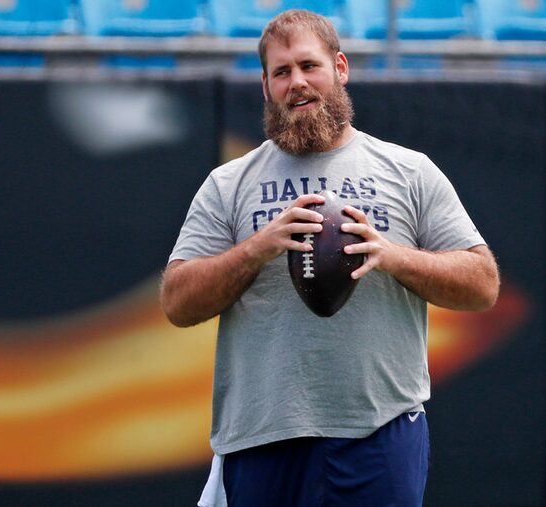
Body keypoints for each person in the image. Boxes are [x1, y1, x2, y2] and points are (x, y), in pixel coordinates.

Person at [160, 9, 500, 507]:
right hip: (261, 436)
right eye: (281, 72)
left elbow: (483, 283)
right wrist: (259, 247)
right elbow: (177, 301)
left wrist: (389, 255)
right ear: (265, 85)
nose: (296, 82)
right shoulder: (229, 184)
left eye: (308, 66)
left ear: (340, 67)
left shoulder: (408, 172)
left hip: (379, 432)